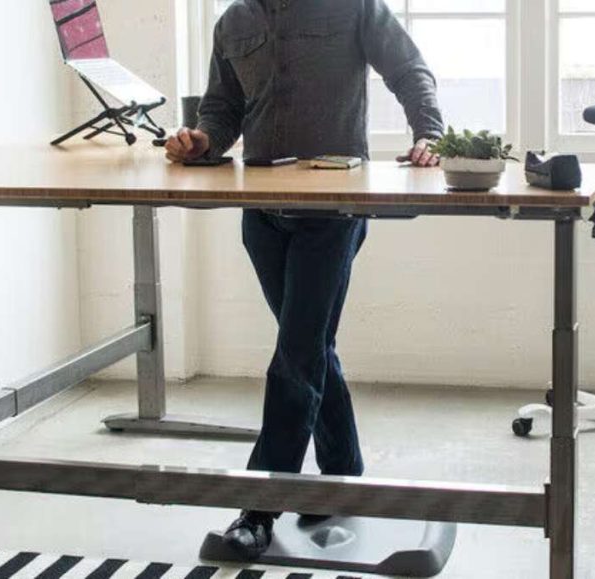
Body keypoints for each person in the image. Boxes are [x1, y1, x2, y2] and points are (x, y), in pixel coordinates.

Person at [165, 0, 444, 561]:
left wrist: (430, 133)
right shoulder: (233, 22)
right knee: (311, 346)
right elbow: (223, 108)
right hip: (261, 211)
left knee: (296, 354)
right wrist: (201, 140)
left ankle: (259, 508)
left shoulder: (354, 6)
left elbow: (409, 69)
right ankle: (341, 475)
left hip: (333, 211)